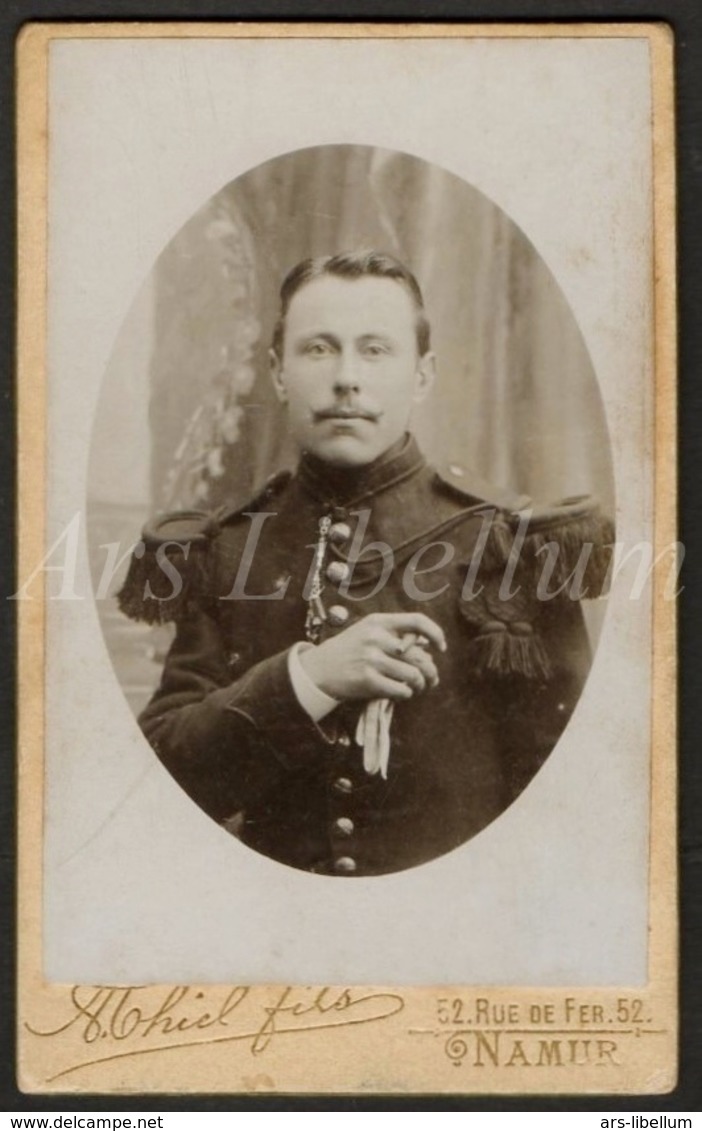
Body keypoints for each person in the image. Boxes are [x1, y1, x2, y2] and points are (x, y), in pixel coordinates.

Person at [118, 250, 612, 877]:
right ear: (276, 372)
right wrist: (309, 680)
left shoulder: (509, 546)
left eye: (375, 350)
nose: (346, 377)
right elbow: (164, 782)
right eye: (318, 350)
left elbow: (569, 804)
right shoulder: (225, 548)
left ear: (423, 375)